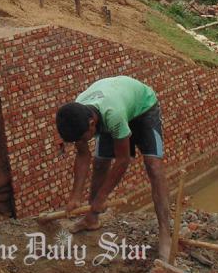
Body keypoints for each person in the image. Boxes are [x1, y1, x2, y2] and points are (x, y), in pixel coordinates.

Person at [55, 76, 171, 260]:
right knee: (100, 162)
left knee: (154, 167)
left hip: (142, 109)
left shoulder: (113, 115)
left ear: (92, 124)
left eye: (84, 138)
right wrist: (75, 196)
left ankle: (165, 232)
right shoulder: (77, 113)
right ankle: (91, 219)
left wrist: (102, 197)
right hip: (115, 106)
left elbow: (123, 160)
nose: (83, 142)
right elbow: (83, 155)